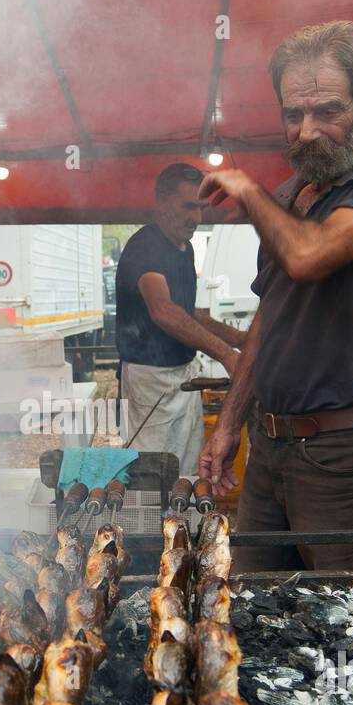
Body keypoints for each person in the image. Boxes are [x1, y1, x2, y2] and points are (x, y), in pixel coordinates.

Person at [198, 21, 353, 571]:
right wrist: (231, 422)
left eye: (328, 111)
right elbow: (270, 316)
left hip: (346, 453)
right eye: (293, 114)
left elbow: (308, 257)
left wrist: (248, 190)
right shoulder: (288, 196)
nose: (306, 131)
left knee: (344, 623)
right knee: (254, 609)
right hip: (269, 445)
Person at [115, 163, 247, 474]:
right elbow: (163, 310)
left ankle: (182, 520)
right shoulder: (145, 246)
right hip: (151, 380)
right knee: (153, 470)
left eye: (201, 208)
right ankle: (152, 523)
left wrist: (243, 340)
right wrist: (227, 355)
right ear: (161, 202)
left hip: (183, 375)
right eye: (189, 207)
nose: (198, 219)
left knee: (187, 467)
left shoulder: (184, 249)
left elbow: (189, 313)